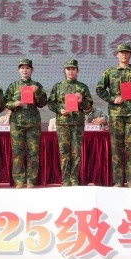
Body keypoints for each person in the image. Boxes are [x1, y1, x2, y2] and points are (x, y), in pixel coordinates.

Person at [96, 43, 131, 187]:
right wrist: (112, 99)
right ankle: (118, 180)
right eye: (121, 52)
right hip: (116, 113)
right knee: (116, 147)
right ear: (117, 55)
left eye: (126, 52)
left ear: (130, 54)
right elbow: (99, 89)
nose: (124, 55)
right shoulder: (109, 72)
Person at [48, 58, 94, 186]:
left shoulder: (82, 87)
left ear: (77, 71)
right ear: (64, 71)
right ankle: (65, 179)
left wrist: (81, 101)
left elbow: (89, 106)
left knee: (76, 152)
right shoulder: (58, 86)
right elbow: (51, 103)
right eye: (68, 69)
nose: (71, 71)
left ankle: (74, 179)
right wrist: (60, 110)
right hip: (63, 123)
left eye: (73, 69)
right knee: (64, 152)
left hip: (77, 123)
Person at [5, 58, 48, 188]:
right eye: (22, 68)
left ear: (31, 70)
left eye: (27, 68)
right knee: (17, 152)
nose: (25, 70)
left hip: (33, 123)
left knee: (33, 152)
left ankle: (31, 180)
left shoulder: (37, 85)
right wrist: (15, 104)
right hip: (17, 123)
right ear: (18, 70)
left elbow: (43, 103)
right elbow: (5, 103)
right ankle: (19, 180)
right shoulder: (13, 86)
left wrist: (37, 92)